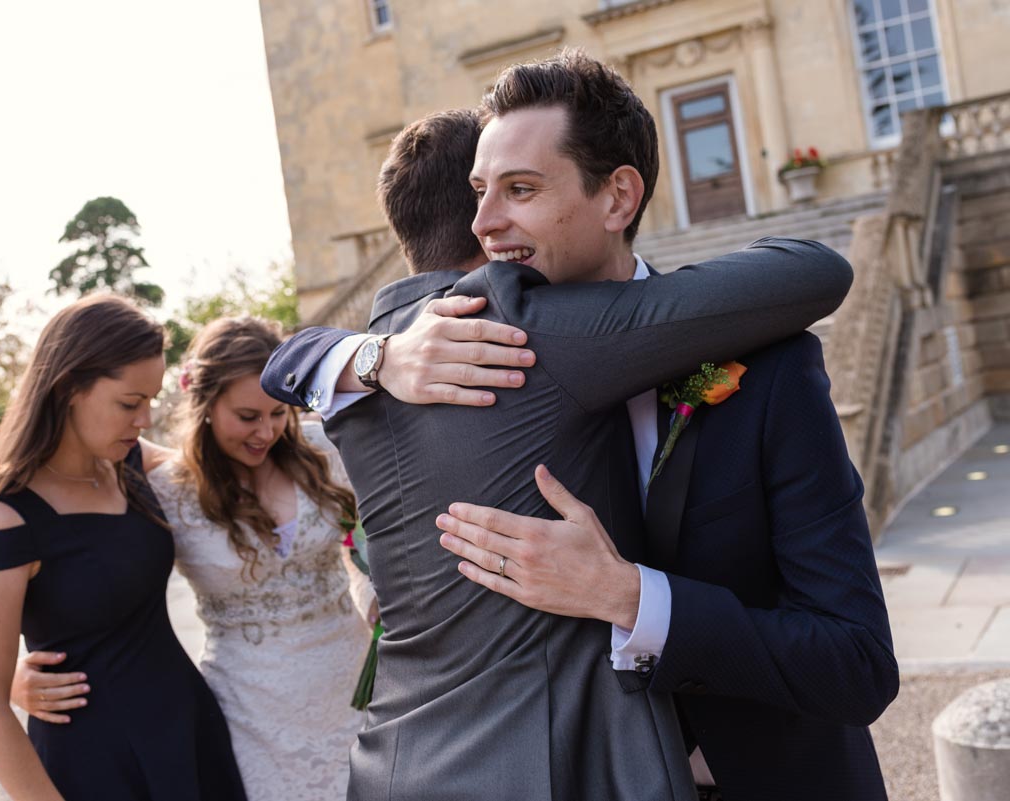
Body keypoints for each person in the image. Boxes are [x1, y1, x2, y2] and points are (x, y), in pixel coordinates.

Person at [261, 52, 860, 801]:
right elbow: (287, 358)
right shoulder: (457, 348)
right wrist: (372, 354)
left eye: (520, 189)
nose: (481, 224)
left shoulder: (768, 369)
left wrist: (630, 599)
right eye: (479, 191)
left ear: (619, 198)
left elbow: (856, 661)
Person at [11, 316, 377, 801]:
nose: (265, 432)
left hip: (352, 686)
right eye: (247, 416)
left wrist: (371, 592)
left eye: (277, 414)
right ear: (204, 404)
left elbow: (382, 540)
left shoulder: (325, 453)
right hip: (247, 713)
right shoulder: (165, 489)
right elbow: (89, 565)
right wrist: (14, 675)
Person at [0, 295, 246, 801]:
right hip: (96, 764)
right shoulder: (4, 519)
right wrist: (8, 681)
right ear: (69, 386)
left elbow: (219, 462)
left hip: (188, 732)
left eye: (152, 400)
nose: (145, 418)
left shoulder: (129, 462)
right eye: (129, 403)